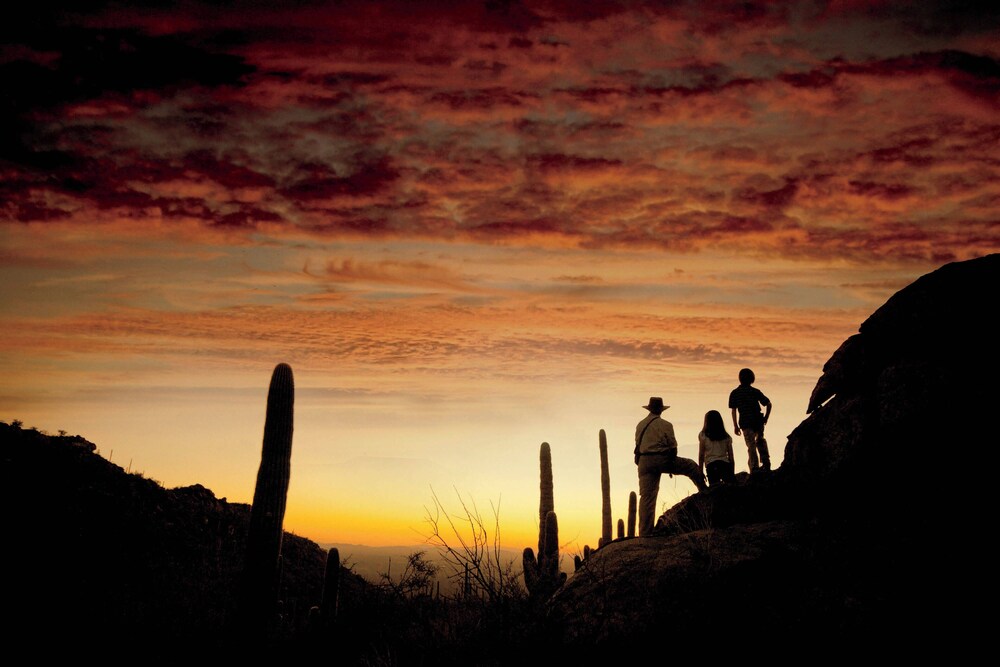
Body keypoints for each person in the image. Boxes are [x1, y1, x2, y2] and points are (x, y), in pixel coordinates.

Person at [634, 396, 708, 536]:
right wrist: (671, 465)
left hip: (644, 461)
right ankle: (705, 493)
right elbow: (673, 448)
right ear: (661, 410)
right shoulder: (666, 425)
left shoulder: (640, 425)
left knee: (647, 498)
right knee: (691, 466)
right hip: (661, 459)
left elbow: (637, 446)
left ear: (649, 409)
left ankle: (645, 533)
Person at [728, 368, 772, 473]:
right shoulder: (755, 391)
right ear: (752, 378)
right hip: (758, 421)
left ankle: (754, 468)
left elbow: (733, 411)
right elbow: (769, 404)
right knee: (760, 441)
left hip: (745, 422)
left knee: (751, 445)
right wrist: (766, 418)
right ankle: (765, 463)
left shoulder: (735, 393)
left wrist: (735, 426)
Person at [698, 410, 735, 487]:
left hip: (711, 465)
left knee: (715, 488)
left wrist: (700, 472)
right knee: (730, 487)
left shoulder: (703, 436)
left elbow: (701, 455)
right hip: (725, 464)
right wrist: (732, 472)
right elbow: (731, 457)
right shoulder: (726, 437)